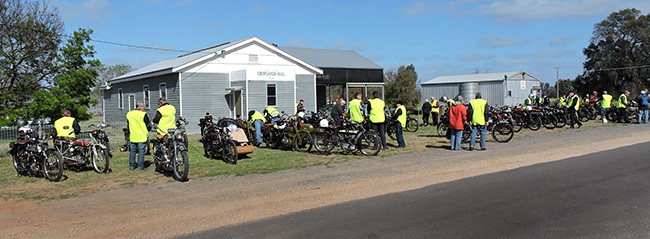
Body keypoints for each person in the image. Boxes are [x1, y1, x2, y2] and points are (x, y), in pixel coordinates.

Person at [126, 102, 151, 170]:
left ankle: (132, 166)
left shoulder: (129, 114)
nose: (144, 108)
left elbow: (128, 125)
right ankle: (140, 166)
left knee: (132, 151)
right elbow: (148, 124)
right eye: (143, 107)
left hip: (133, 135)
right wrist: (149, 129)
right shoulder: (143, 114)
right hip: (141, 136)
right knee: (141, 151)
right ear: (140, 107)